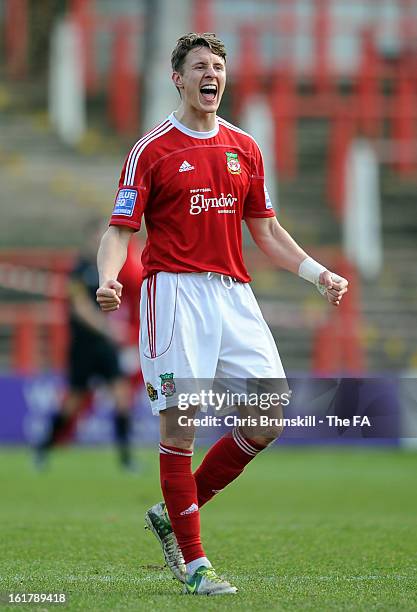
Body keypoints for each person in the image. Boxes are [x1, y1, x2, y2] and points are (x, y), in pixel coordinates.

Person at [96, 33, 348, 595]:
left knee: (269, 413)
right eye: (200, 67)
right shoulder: (152, 150)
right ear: (178, 79)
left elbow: (267, 232)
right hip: (174, 294)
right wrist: (109, 279)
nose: (212, 75)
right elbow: (119, 232)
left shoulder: (245, 148)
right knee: (181, 425)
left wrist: (318, 273)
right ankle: (195, 564)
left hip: (232, 293)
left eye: (218, 67)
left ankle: (171, 512)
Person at [36, 220, 141, 471]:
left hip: (105, 346)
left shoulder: (107, 269)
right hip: (84, 345)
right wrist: (107, 327)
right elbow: (79, 307)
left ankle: (126, 460)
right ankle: (43, 448)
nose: (101, 241)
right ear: (90, 239)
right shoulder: (79, 269)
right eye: (98, 237)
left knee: (122, 396)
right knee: (73, 402)